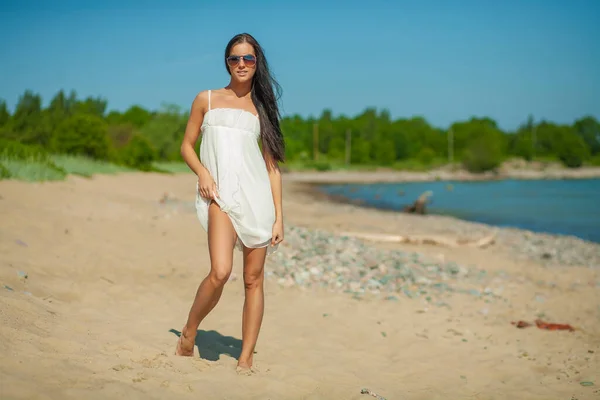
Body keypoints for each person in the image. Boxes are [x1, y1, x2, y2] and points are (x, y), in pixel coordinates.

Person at [176, 33, 285, 374]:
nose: (241, 64)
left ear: (257, 63)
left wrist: (279, 218)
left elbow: (271, 168)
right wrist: (203, 174)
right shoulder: (206, 99)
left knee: (254, 280)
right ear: (226, 62)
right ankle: (189, 331)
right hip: (219, 197)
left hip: (258, 200)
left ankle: (246, 357)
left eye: (248, 59)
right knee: (220, 272)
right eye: (235, 59)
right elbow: (186, 146)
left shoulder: (262, 109)